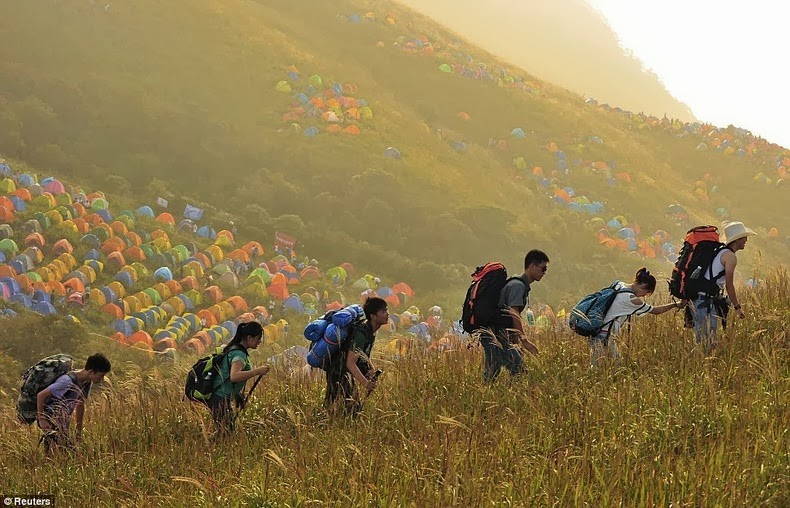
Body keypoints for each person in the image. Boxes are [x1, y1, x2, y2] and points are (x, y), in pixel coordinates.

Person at [590, 268, 684, 367]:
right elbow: (655, 311)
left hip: (598, 328)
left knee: (613, 363)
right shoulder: (631, 299)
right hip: (604, 334)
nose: (643, 296)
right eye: (646, 293)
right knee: (603, 365)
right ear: (643, 286)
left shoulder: (619, 284)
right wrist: (675, 304)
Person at [482, 250, 548, 383]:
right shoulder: (518, 286)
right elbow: (513, 313)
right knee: (518, 370)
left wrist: (515, 344)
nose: (544, 273)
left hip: (495, 333)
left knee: (493, 372)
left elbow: (509, 318)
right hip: (496, 334)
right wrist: (525, 341)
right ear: (532, 266)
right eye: (543, 268)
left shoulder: (518, 284)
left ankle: (492, 397)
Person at [691, 221, 754, 352]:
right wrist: (737, 307)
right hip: (705, 301)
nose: (746, 240)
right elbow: (729, 284)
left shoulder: (720, 251)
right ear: (737, 239)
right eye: (744, 238)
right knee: (706, 343)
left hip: (701, 299)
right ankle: (693, 366)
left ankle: (697, 365)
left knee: (706, 341)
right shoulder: (730, 257)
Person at [324, 297, 389, 416]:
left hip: (343, 373)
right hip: (338, 372)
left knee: (335, 410)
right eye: (383, 311)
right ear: (373, 316)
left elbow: (362, 353)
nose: (387, 314)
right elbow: (350, 362)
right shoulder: (361, 333)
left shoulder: (371, 331)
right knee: (352, 411)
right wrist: (365, 383)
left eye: (386, 310)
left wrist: (369, 369)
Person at [36, 353, 111, 454]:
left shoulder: (86, 382)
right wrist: (41, 419)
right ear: (91, 371)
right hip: (51, 422)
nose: (101, 379)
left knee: (64, 455)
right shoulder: (67, 381)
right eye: (101, 375)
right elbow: (41, 395)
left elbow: (80, 404)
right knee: (63, 455)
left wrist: (78, 432)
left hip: (62, 425)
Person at [210, 322, 270, 437]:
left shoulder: (235, 350)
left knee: (226, 431)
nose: (259, 342)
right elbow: (234, 376)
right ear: (249, 338)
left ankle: (211, 448)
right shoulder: (239, 354)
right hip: (220, 398)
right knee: (227, 433)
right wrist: (257, 371)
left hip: (221, 398)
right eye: (258, 338)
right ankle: (209, 449)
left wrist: (237, 396)